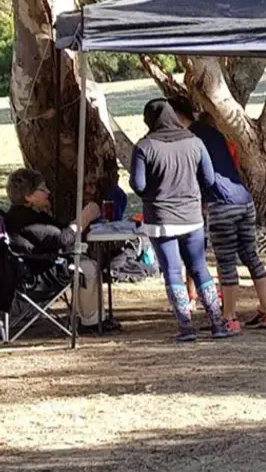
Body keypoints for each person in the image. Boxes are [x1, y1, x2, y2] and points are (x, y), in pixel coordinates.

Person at [131, 99, 234, 342]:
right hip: (192, 216)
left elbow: (138, 184)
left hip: (160, 218)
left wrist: (155, 194)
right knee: (199, 267)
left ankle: (186, 326)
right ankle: (218, 323)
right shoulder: (194, 142)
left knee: (173, 271)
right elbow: (209, 178)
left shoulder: (145, 146)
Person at [181, 102, 266, 331]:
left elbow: (202, 175)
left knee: (225, 262)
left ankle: (229, 317)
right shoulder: (216, 134)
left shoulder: (191, 138)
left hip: (221, 203)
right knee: (251, 256)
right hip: (244, 199)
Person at [5, 169, 112, 333]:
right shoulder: (25, 219)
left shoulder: (31, 214)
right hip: (36, 276)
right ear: (28, 196)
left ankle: (92, 317)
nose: (48, 192)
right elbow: (62, 239)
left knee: (83, 260)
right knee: (88, 266)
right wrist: (84, 217)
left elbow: (59, 232)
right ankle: (91, 322)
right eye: (42, 189)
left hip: (35, 267)